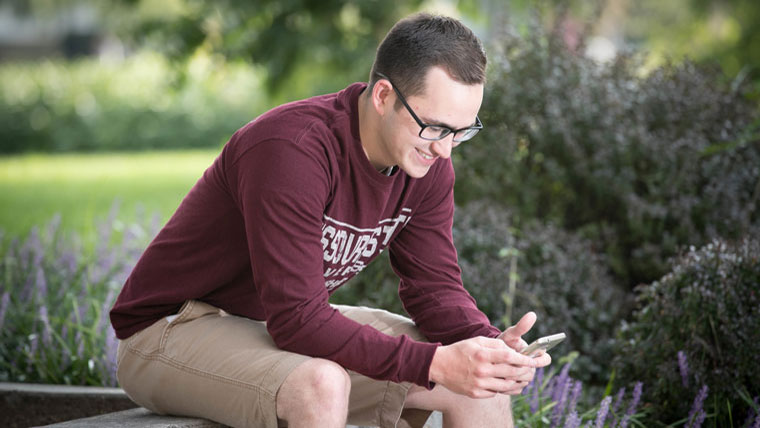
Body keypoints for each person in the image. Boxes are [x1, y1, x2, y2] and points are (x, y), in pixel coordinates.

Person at [110, 12, 552, 428]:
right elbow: (298, 319)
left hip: (266, 324)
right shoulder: (291, 150)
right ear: (383, 96)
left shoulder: (426, 164)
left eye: (461, 132)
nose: (445, 149)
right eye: (435, 127)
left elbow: (434, 288)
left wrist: (489, 344)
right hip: (169, 330)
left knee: (478, 385)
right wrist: (435, 363)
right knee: (321, 384)